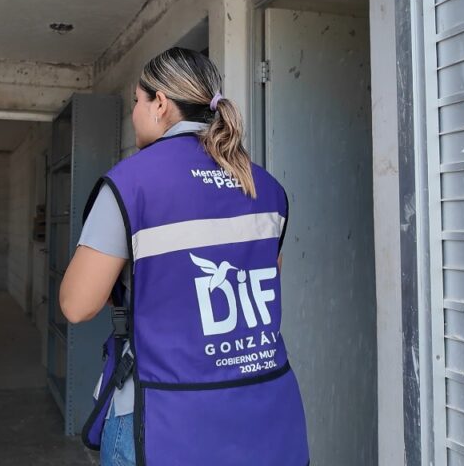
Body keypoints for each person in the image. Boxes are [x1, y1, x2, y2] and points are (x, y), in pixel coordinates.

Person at [59, 47, 309, 466]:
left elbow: (76, 305)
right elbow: (265, 276)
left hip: (163, 420)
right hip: (266, 416)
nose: (133, 113)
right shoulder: (265, 186)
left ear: (160, 103)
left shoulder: (130, 183)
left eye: (137, 101)